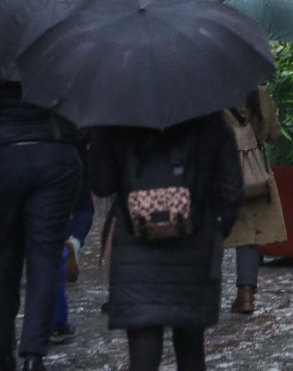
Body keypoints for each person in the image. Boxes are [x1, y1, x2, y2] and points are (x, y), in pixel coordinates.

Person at [88, 113, 243, 371]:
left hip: (135, 249)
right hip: (194, 245)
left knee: (143, 350)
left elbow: (102, 184)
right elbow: (231, 187)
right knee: (191, 347)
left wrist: (99, 136)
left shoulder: (117, 119)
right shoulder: (208, 118)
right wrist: (213, 231)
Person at [0, 80, 81, 371]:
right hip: (54, 149)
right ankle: (34, 355)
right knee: (45, 259)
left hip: (5, 151)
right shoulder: (59, 41)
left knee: (5, 258)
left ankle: (3, 351)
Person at [223, 87, 287, 315]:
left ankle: (206, 293)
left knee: (212, 232)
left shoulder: (211, 92)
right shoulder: (258, 93)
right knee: (249, 235)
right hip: (253, 173)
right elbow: (274, 133)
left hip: (220, 170)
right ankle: (246, 295)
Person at [49, 159, 95, 344]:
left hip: (11, 158)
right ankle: (56, 324)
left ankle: (6, 333)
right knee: (83, 208)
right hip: (67, 156)